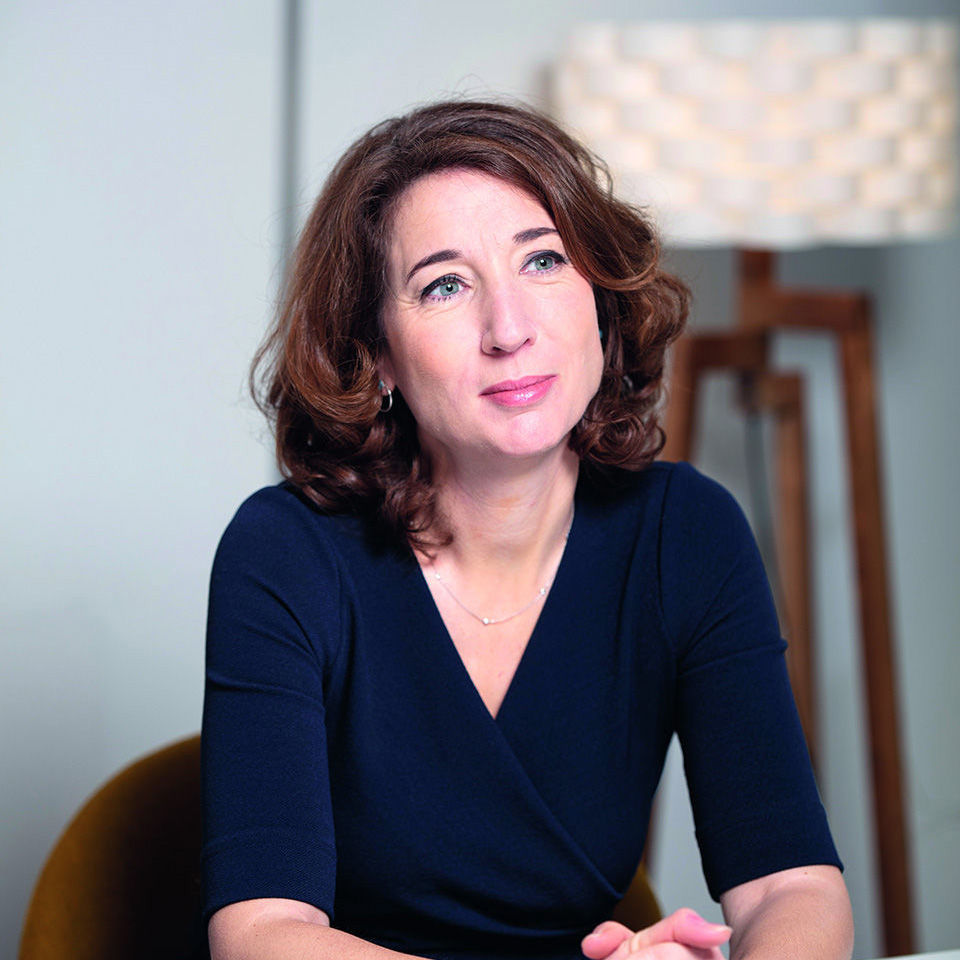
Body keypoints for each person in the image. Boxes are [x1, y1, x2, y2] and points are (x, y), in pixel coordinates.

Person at [200, 99, 853, 960]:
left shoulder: (686, 533)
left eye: (543, 260)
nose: (509, 329)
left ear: (600, 301)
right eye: (444, 284)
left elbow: (790, 886)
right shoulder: (285, 552)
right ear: (379, 354)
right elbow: (260, 933)